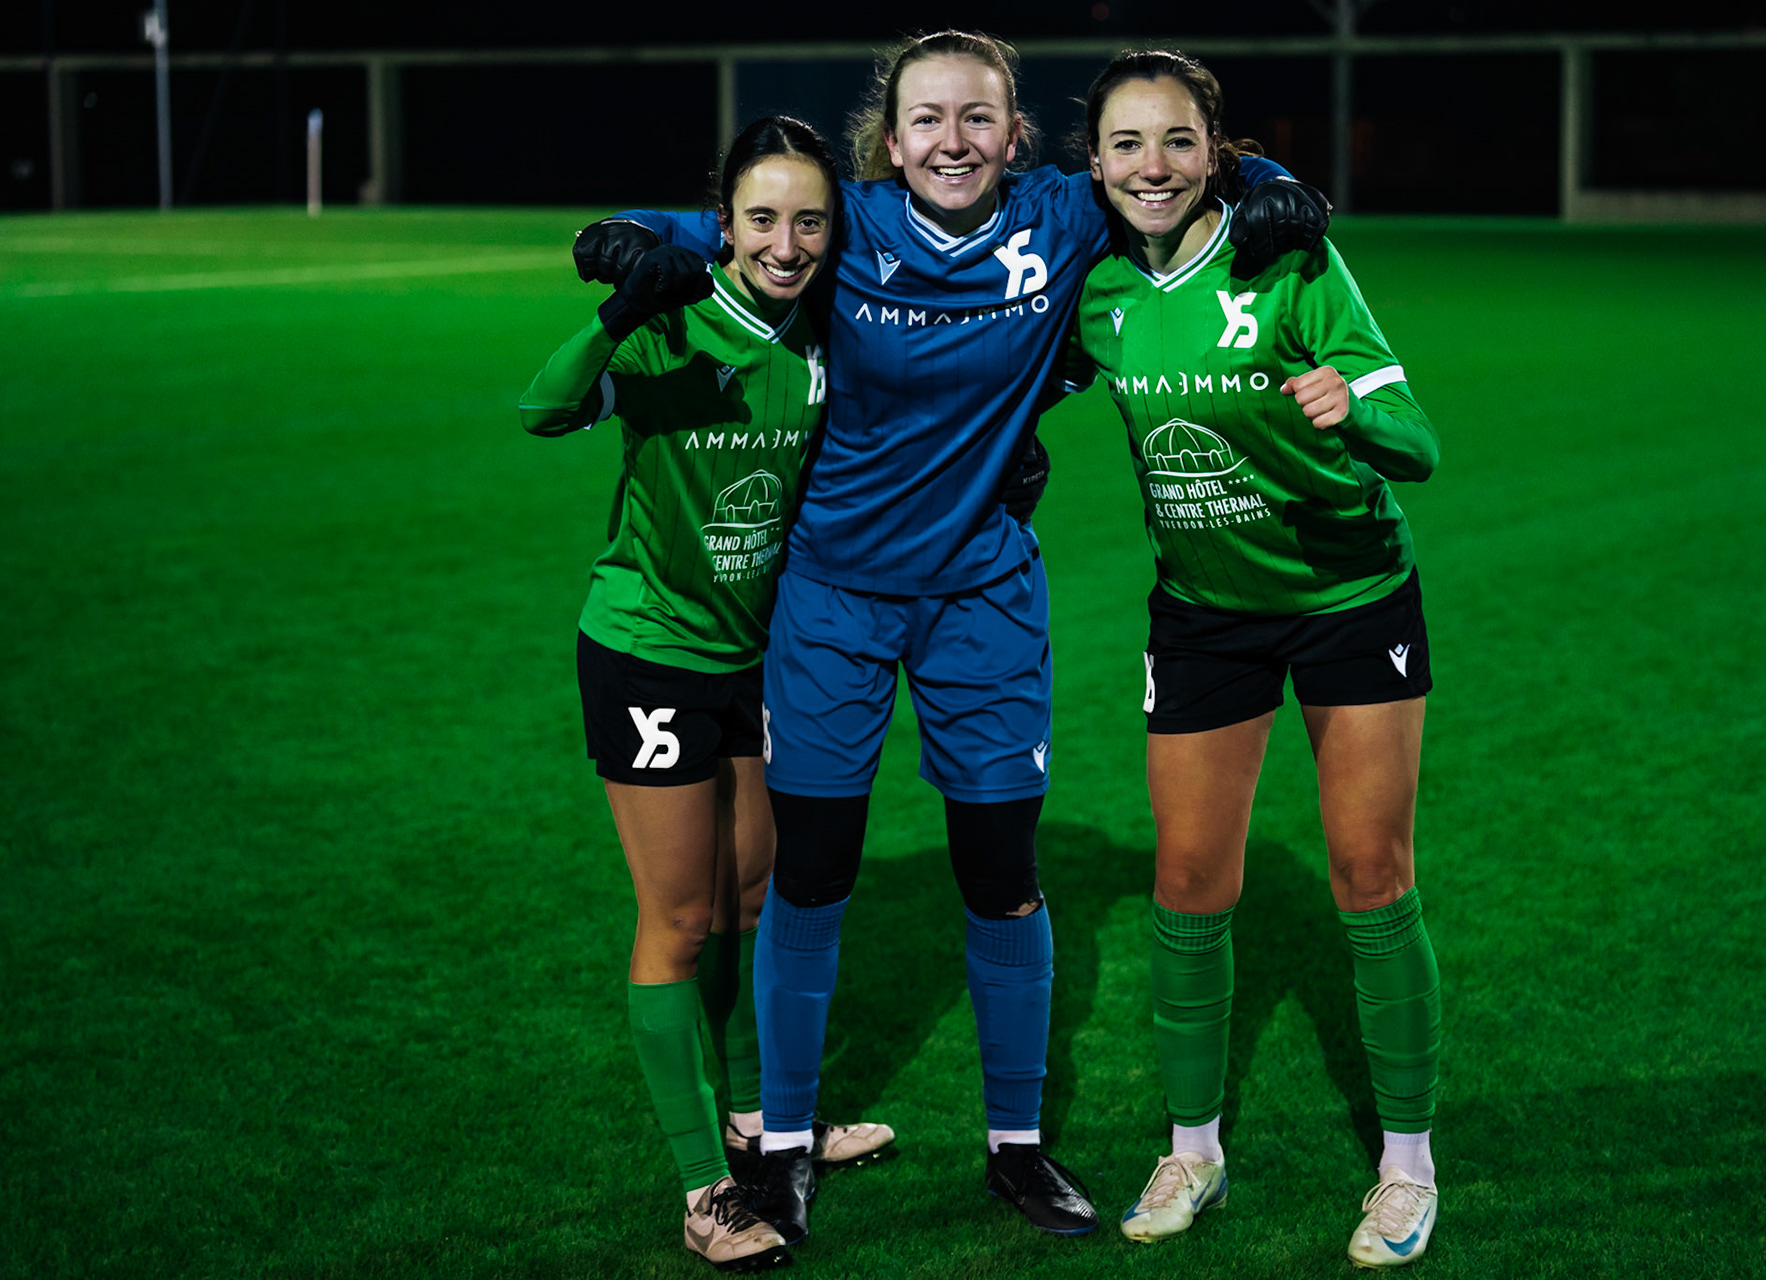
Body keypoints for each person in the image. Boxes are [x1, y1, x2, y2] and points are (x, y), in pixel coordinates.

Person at [569, 30, 1332, 1242]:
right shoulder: (846, 225)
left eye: (978, 119)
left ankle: (1017, 1146)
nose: (953, 141)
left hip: (982, 599)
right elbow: (708, 216)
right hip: (833, 602)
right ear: (890, 138)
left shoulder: (1061, 215)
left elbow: (1163, 180)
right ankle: (780, 1144)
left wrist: (1263, 181)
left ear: (1016, 137)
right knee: (811, 875)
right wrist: (616, 231)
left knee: (1001, 874)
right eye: (927, 120)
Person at [1058, 51, 1443, 1268]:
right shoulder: (1098, 285)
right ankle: (1195, 1146)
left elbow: (1417, 440)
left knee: (1370, 872)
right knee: (1185, 877)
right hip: (1203, 611)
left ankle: (1406, 1164)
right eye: (1126, 144)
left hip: (1348, 594)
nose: (1151, 167)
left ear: (1214, 150)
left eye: (1176, 141)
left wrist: (1356, 409)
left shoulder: (1289, 253)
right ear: (1096, 162)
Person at [518, 115, 892, 1274]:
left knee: (754, 893)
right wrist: (617, 306)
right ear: (722, 223)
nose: (787, 242)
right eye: (763, 219)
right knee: (678, 916)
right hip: (650, 650)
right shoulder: (673, 316)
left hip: (757, 655)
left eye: (809, 221)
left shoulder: (825, 325)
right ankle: (704, 1184)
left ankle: (764, 1116)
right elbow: (542, 407)